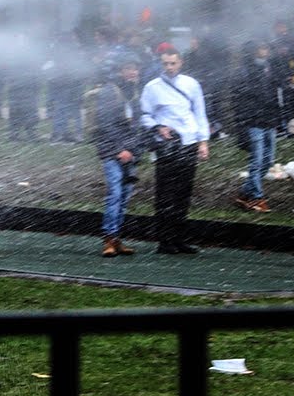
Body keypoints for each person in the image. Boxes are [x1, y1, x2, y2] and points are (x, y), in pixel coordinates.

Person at [140, 47, 210, 254]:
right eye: (165, 64)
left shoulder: (191, 84)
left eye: (173, 63)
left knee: (183, 192)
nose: (169, 67)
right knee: (165, 194)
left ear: (180, 63)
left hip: (188, 142)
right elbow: (144, 115)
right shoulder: (152, 87)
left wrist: (203, 141)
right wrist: (158, 127)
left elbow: (200, 113)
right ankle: (165, 240)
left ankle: (179, 238)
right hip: (167, 145)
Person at [84, 56, 145, 256]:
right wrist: (120, 149)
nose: (133, 72)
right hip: (111, 152)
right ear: (120, 71)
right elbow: (105, 124)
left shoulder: (134, 92)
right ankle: (109, 238)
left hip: (130, 152)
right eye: (129, 68)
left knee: (124, 196)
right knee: (115, 194)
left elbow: (137, 125)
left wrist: (132, 149)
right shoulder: (110, 92)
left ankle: (116, 237)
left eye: (135, 68)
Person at [230, 41, 278, 212]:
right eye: (262, 48)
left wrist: (276, 116)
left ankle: (244, 193)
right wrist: (243, 123)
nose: (266, 51)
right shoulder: (243, 72)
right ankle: (256, 197)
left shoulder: (269, 69)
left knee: (268, 161)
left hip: (268, 121)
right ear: (253, 51)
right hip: (253, 122)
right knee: (256, 162)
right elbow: (238, 100)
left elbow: (273, 94)